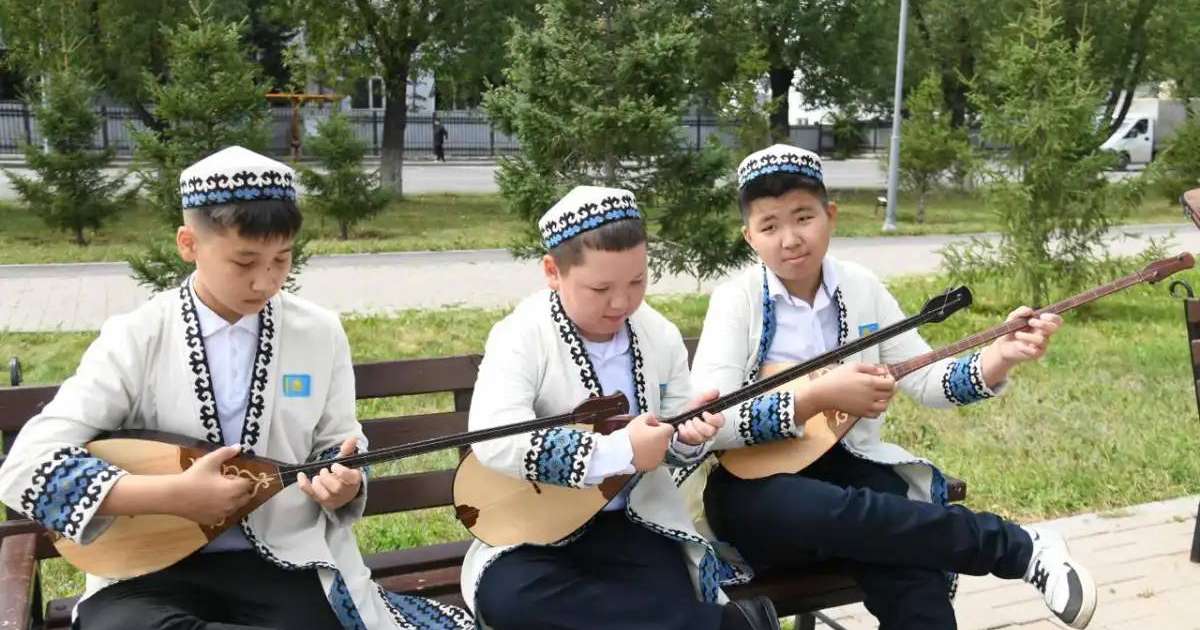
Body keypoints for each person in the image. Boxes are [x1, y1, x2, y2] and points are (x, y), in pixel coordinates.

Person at [0, 146, 473, 630]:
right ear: (189, 243)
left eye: (282, 259)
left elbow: (338, 438)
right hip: (147, 565)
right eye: (244, 261)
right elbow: (25, 465)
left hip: (283, 560)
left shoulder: (318, 331)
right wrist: (169, 496)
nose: (265, 281)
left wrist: (343, 481)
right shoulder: (138, 337)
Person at [683, 144, 1097, 629]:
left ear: (830, 216)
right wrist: (816, 396)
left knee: (909, 574)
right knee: (857, 514)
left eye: (803, 218)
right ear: (749, 235)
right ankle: (1019, 548)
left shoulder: (861, 288)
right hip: (754, 490)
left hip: (849, 468)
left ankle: (1022, 552)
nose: (790, 239)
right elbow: (710, 424)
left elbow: (927, 380)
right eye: (770, 226)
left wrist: (999, 356)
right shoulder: (738, 301)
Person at [461, 185, 780, 630]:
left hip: (636, 521)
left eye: (637, 282)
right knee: (509, 601)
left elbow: (675, 439)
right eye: (600, 287)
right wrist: (619, 452)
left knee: (659, 594)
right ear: (553, 271)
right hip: (531, 530)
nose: (622, 302)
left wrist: (688, 436)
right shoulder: (520, 335)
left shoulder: (659, 335)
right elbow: (496, 439)